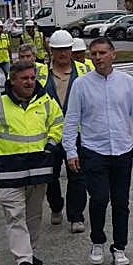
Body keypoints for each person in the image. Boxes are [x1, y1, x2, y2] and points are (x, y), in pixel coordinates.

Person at [63, 37, 133, 265]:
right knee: (100, 198)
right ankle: (97, 241)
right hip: (94, 151)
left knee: (121, 202)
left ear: (113, 54)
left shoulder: (126, 82)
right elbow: (71, 120)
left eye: (102, 53)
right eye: (94, 54)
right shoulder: (81, 85)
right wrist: (71, 151)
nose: (98, 57)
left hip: (122, 150)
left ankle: (120, 247)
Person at [0, 59, 64, 265]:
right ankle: (23, 260)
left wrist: (51, 144)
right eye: (24, 78)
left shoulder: (46, 101)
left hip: (38, 170)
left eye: (32, 77)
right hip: (10, 172)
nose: (30, 82)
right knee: (15, 216)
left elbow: (58, 122)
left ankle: (29, 253)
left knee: (33, 216)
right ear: (12, 81)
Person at [41, 30, 88, 233]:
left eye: (66, 49)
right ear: (51, 51)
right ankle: (56, 206)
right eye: (58, 50)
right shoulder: (41, 73)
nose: (62, 54)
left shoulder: (84, 70)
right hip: (49, 134)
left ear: (71, 50)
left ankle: (76, 216)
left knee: (77, 175)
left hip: (77, 133)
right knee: (50, 176)